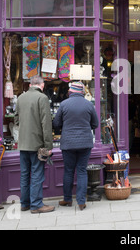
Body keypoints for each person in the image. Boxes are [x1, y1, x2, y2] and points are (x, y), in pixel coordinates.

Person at [53, 81, 99, 210]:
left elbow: (56, 123)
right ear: (82, 92)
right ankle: (81, 201)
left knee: (68, 171)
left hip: (68, 143)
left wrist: (66, 125)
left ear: (70, 91)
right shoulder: (89, 105)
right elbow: (95, 124)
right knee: (82, 171)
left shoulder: (64, 104)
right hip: (85, 142)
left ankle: (67, 199)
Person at [15, 75, 55, 213]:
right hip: (37, 144)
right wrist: (48, 146)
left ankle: (24, 203)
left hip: (23, 143)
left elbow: (15, 119)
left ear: (31, 84)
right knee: (37, 174)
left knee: (25, 174)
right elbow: (46, 124)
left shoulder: (20, 98)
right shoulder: (42, 98)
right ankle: (36, 205)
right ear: (42, 85)